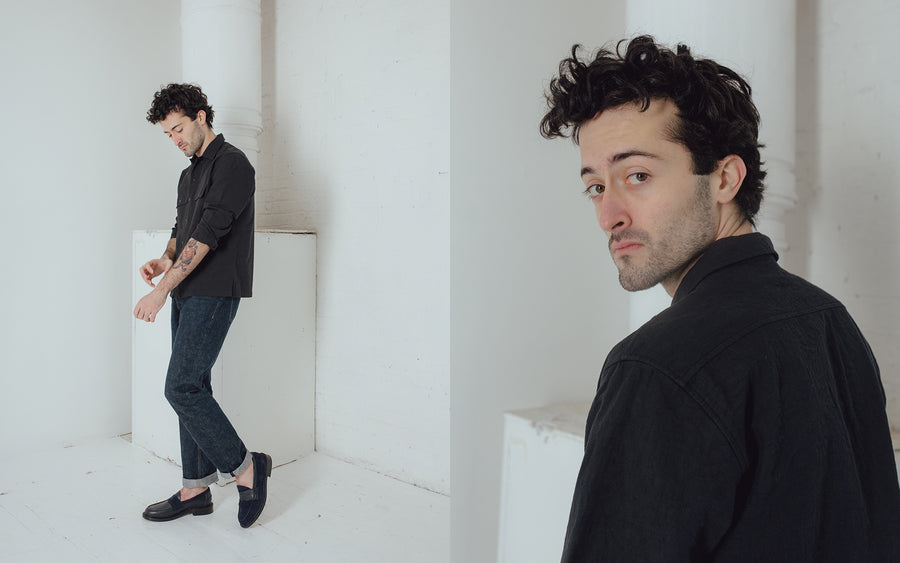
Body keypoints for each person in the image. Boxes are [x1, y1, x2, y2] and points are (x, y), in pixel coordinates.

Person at [540, 36, 900, 561]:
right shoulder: (830, 319)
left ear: (726, 178)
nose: (608, 216)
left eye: (637, 175)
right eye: (596, 186)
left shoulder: (657, 367)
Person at [134, 83, 271, 528]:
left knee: (181, 387)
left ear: (201, 116)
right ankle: (195, 488)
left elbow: (207, 236)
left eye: (178, 129)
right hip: (186, 289)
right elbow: (182, 231)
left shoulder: (233, 165)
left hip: (213, 291)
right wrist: (163, 259)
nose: (175, 140)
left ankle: (247, 467)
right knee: (194, 387)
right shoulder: (189, 174)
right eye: (167, 134)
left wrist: (158, 292)